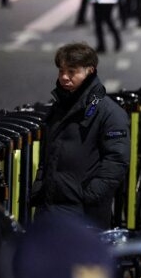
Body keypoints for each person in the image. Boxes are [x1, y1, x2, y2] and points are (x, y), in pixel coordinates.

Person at [31, 42, 130, 229]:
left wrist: (89, 196)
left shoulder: (109, 112)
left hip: (84, 213)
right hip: (51, 208)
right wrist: (40, 187)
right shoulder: (60, 107)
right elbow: (49, 154)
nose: (64, 77)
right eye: (61, 71)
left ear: (89, 71)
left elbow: (117, 160)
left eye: (71, 71)